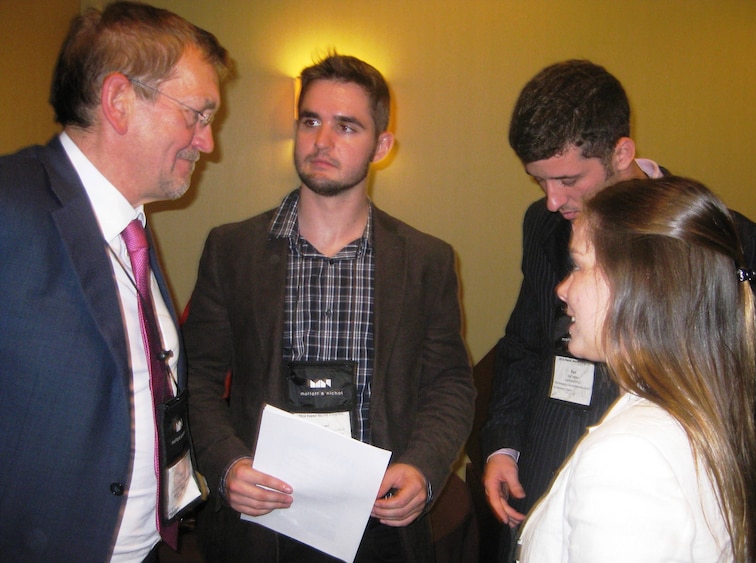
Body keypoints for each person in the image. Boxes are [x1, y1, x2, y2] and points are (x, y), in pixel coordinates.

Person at [183, 52, 475, 563]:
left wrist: (425, 468)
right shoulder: (232, 249)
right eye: (311, 121)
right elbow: (198, 379)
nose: (322, 141)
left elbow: (450, 383)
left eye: (347, 126)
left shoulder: (426, 260)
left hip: (377, 522)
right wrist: (226, 464)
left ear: (381, 146)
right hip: (262, 522)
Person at [480, 60, 756, 559]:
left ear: (622, 152)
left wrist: (730, 506)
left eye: (569, 179)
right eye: (540, 182)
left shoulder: (722, 238)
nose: (553, 201)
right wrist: (503, 445)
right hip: (552, 454)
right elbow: (525, 341)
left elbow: (753, 393)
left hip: (657, 469)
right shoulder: (543, 223)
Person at [0, 2, 230, 561]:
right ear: (120, 100)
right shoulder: (11, 208)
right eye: (197, 115)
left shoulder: (132, 231)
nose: (208, 142)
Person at [517, 176, 756, 562]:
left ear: (640, 283)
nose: (562, 288)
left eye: (579, 266)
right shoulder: (683, 413)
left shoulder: (630, 457)